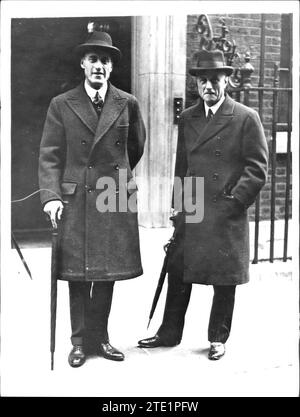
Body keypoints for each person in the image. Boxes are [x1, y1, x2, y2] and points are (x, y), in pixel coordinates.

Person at [138, 48, 268, 360]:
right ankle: (169, 333)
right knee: (178, 271)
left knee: (224, 280)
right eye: (202, 81)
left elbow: (257, 168)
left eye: (214, 80)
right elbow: (181, 166)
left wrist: (234, 201)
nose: (208, 86)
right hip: (193, 211)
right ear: (196, 84)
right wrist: (176, 206)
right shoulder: (188, 117)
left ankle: (217, 338)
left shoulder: (245, 118)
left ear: (227, 81)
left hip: (225, 212)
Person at [39, 30, 146, 367]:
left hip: (112, 197)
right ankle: (78, 343)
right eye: (94, 59)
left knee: (106, 271)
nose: (99, 66)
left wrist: (116, 179)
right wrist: (51, 197)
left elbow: (135, 148)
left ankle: (100, 338)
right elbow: (50, 155)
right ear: (83, 63)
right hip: (76, 199)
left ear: (112, 67)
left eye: (106, 60)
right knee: (76, 273)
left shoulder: (127, 103)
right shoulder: (62, 104)